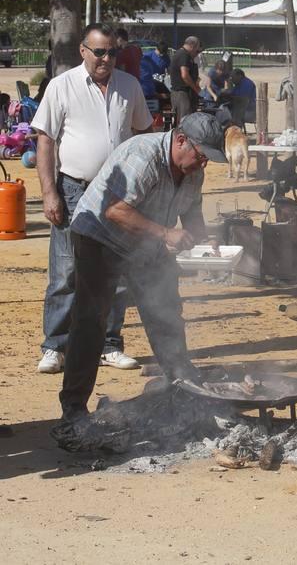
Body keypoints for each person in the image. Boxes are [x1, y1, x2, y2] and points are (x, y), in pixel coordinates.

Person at [55, 113, 228, 428]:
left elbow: (192, 210)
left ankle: (182, 384)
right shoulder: (143, 156)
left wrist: (205, 238)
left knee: (165, 309)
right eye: (201, 155)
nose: (202, 164)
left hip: (144, 242)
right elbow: (115, 210)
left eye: (207, 159)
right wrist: (165, 233)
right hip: (99, 235)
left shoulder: (193, 172)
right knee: (92, 319)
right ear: (180, 140)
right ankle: (74, 407)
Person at [31, 23, 153, 375]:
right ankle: (55, 345)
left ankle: (110, 345)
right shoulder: (61, 86)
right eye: (99, 52)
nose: (106, 59)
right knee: (67, 270)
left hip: (119, 192)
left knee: (115, 271)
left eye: (112, 52)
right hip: (74, 189)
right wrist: (49, 192)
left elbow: (143, 134)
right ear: (83, 51)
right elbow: (45, 142)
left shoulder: (129, 86)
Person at [170, 36, 201, 122]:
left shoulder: (181, 54)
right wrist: (195, 88)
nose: (196, 51)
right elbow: (185, 75)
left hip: (180, 94)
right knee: (185, 122)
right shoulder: (184, 55)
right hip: (182, 94)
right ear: (192, 46)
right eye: (197, 49)